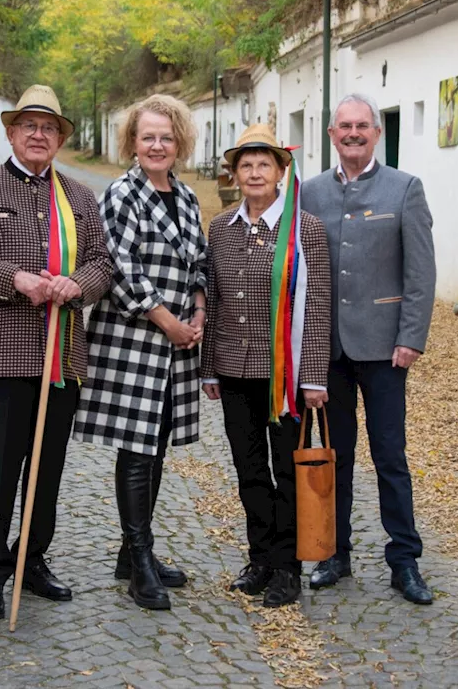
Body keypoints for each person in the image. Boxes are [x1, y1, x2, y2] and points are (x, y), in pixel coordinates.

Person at [0, 85, 114, 621]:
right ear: (11, 133)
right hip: (3, 352)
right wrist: (16, 280)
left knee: (48, 466)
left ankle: (31, 559)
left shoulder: (80, 198)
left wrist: (75, 285)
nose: (39, 135)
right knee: (1, 468)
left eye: (50, 128)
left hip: (62, 353)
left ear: (61, 138)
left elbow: (104, 265)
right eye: (29, 126)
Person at [300, 93, 437, 605]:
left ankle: (404, 559)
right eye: (344, 127)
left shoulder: (405, 189)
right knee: (337, 456)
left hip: (384, 349)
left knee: (389, 456)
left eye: (362, 126)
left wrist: (410, 337)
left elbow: (421, 272)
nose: (353, 134)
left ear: (377, 133)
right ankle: (336, 554)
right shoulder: (309, 192)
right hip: (328, 350)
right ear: (332, 135)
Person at [74, 95, 206, 611]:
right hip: (134, 338)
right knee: (137, 446)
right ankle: (139, 562)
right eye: (147, 136)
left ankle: (132, 555)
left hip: (179, 345)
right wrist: (168, 320)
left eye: (166, 137)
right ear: (132, 141)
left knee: (160, 441)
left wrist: (197, 310)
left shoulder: (189, 197)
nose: (157, 145)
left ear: (180, 144)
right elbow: (120, 268)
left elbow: (200, 261)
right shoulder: (122, 194)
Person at [201, 123, 331, 608]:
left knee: (286, 471)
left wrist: (314, 376)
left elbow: (317, 306)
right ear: (234, 174)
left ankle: (287, 566)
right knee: (249, 469)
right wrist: (209, 367)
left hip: (286, 376)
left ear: (281, 171)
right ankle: (259, 558)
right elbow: (212, 299)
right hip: (235, 371)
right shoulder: (220, 228)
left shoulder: (304, 230)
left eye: (264, 164)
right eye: (246, 165)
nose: (255, 173)